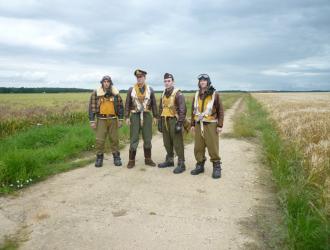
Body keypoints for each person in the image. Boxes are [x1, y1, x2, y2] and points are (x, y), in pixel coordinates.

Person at [190, 74, 224, 179]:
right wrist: (192, 124)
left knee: (213, 146)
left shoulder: (215, 94)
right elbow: (193, 110)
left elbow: (220, 110)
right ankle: (200, 165)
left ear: (208, 82)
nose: (202, 82)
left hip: (211, 124)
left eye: (204, 80)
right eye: (201, 81)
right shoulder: (196, 94)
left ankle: (216, 166)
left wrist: (220, 125)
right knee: (198, 147)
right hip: (198, 124)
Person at [125, 69, 158, 168]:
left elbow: (154, 104)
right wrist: (126, 116)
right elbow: (127, 104)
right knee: (134, 137)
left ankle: (148, 159)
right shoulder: (131, 89)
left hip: (147, 115)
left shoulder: (150, 89)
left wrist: (156, 116)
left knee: (147, 138)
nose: (139, 78)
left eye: (141, 77)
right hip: (135, 115)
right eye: (137, 77)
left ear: (145, 77)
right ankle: (131, 160)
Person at [89, 75, 124, 167]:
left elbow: (120, 107)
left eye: (108, 82)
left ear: (110, 83)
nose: (106, 83)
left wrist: (120, 119)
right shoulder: (96, 93)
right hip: (101, 120)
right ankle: (99, 158)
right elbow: (92, 107)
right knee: (99, 140)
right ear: (102, 83)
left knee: (114, 139)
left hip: (113, 119)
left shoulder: (115, 93)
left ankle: (116, 157)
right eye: (104, 82)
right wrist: (92, 121)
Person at [158, 73, 187, 174]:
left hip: (174, 120)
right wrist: (159, 122)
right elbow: (161, 108)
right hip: (164, 119)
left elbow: (183, 110)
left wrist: (179, 123)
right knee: (167, 143)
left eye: (169, 81)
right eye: (165, 81)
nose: (167, 83)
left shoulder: (178, 94)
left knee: (177, 143)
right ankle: (170, 160)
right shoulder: (163, 93)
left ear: (173, 82)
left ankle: (181, 163)